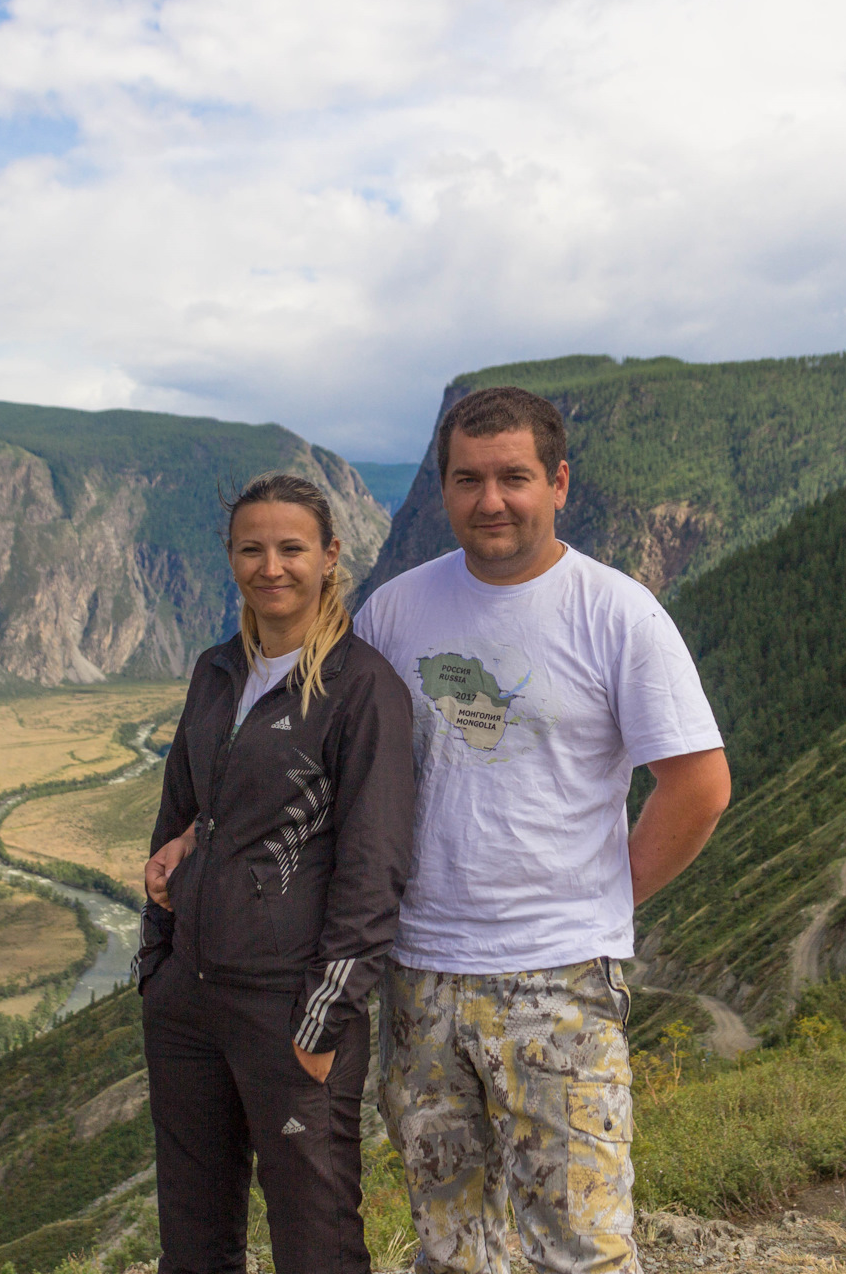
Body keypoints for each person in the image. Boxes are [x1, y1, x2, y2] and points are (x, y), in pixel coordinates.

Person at [352, 387, 732, 1274]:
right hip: (422, 978)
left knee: (583, 1247)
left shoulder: (618, 613)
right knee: (450, 1243)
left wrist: (606, 895)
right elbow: (353, 777)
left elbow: (699, 786)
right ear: (444, 488)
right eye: (468, 479)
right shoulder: (394, 614)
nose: (491, 500)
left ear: (558, 483)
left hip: (558, 979)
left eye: (514, 477)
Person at [134, 472, 415, 1274]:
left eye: (292, 548)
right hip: (187, 1002)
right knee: (192, 1240)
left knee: (315, 1244)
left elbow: (376, 864)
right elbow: (179, 816)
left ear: (330, 557)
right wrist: (156, 961)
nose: (271, 567)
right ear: (230, 559)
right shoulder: (216, 672)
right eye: (251, 549)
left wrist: (322, 1022)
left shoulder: (360, 689)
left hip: (289, 1009)